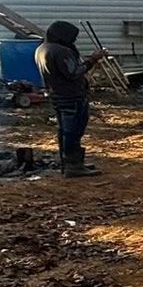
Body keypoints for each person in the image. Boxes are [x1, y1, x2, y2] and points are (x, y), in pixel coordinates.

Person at [36, 21, 103, 177]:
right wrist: (92, 60)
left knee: (65, 131)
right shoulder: (61, 51)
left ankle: (68, 163)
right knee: (73, 131)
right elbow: (73, 72)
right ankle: (73, 166)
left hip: (57, 95)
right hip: (71, 96)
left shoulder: (42, 48)